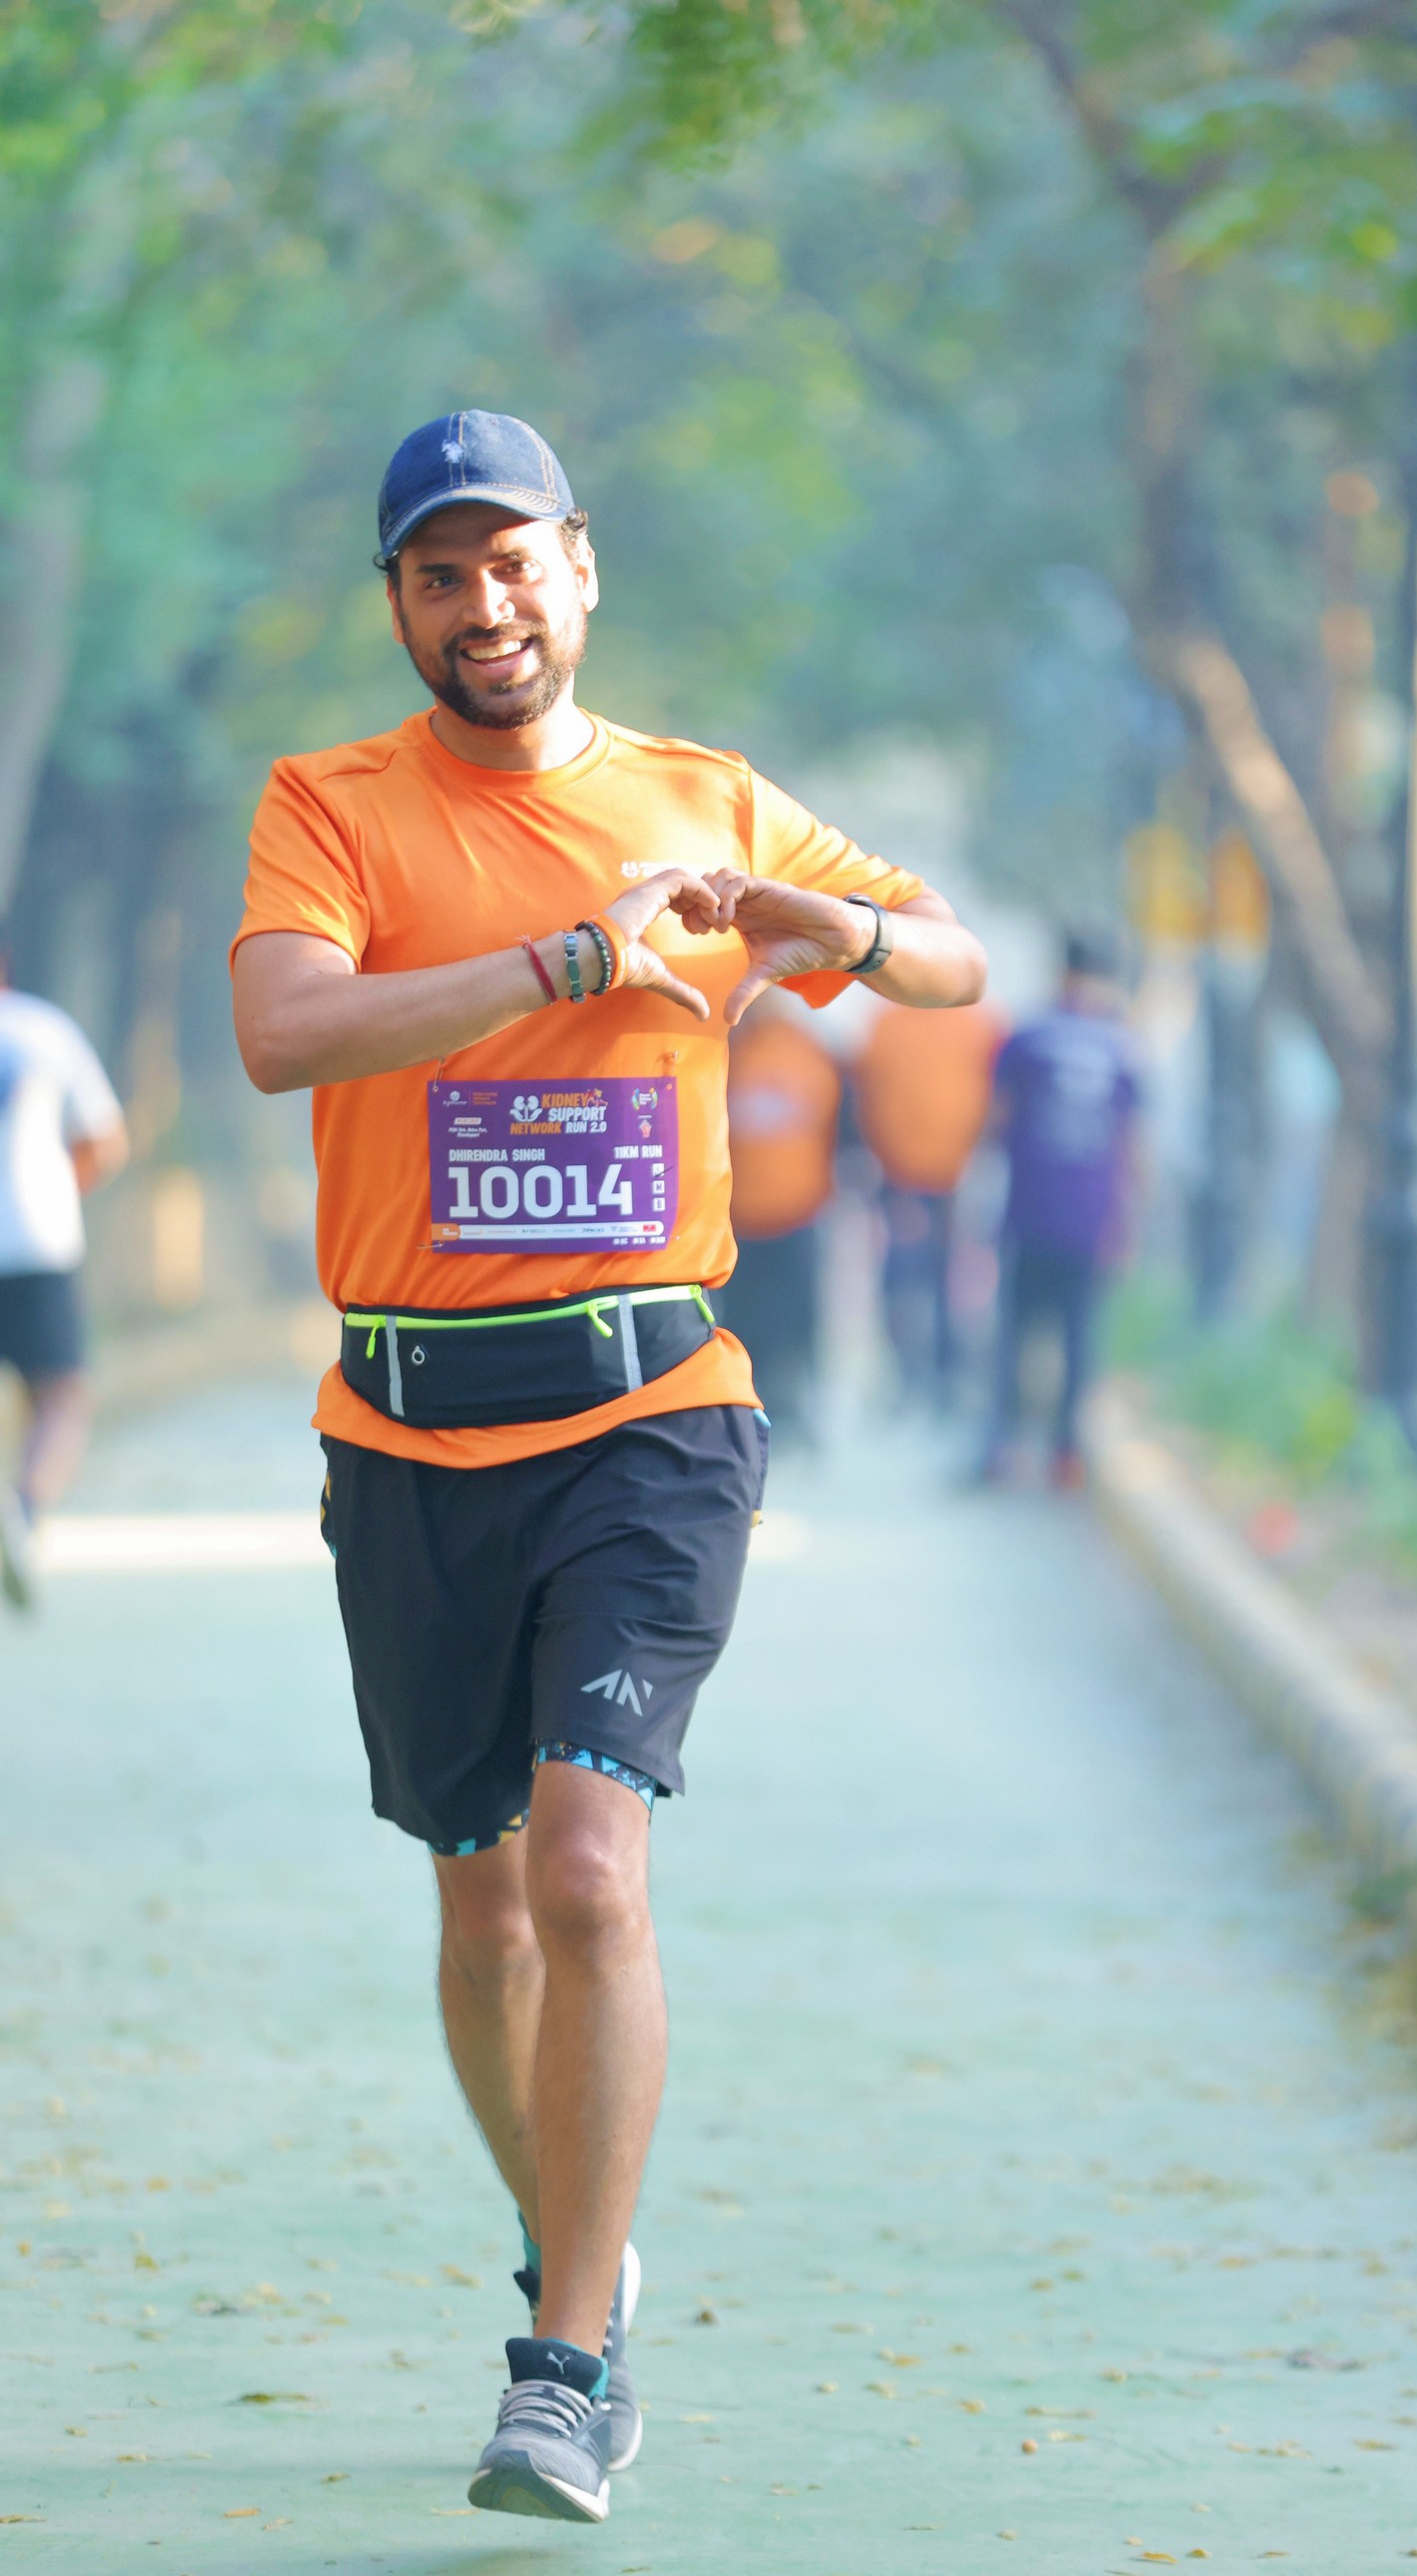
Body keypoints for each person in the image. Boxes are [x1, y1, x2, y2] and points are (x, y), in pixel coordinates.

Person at [229, 410, 986, 2526]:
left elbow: (950, 960)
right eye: (440, 575)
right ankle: (582, 2234)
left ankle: (562, 2365)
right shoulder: (331, 807)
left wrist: (811, 921)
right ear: (400, 605)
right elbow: (288, 1032)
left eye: (514, 563)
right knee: (481, 1905)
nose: (484, 605)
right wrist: (573, 960)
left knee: (586, 1870)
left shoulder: (705, 796)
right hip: (407, 1430)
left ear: (580, 566)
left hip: (652, 1415)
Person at [983, 928, 1141, 1492]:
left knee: (1015, 1334)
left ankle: (1000, 1445)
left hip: (1030, 1210)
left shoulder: (1027, 1038)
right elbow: (1132, 1145)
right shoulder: (1123, 1048)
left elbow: (997, 1121)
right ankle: (1066, 1453)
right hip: (1089, 1217)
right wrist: (1126, 1220)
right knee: (1078, 1338)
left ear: (1063, 972)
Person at [0, 944, 129, 1608]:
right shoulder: (43, 1030)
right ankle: (23, 1511)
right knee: (62, 1394)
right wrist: (59, 1188)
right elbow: (106, 1140)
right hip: (35, 1243)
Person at [852, 995, 1006, 1407]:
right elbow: (867, 1098)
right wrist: (886, 1168)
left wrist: (978, 1166)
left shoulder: (981, 1024)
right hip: (901, 1177)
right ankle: (905, 1373)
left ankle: (950, 1371)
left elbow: (998, 1099)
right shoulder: (887, 1024)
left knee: (956, 1282)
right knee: (900, 1279)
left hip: (962, 1176)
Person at [717, 990, 841, 1440]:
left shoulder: (806, 1048)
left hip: (796, 1213)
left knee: (795, 1322)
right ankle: (754, 1409)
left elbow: (837, 1125)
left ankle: (795, 1408)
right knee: (750, 1323)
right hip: (744, 1218)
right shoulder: (731, 1048)